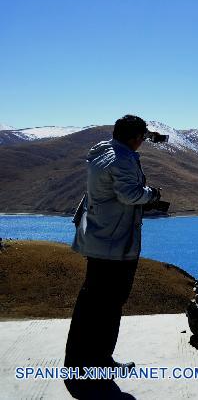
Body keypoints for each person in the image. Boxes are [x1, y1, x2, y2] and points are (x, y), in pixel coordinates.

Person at [64, 114, 162, 373]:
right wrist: (152, 195)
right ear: (135, 137)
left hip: (99, 237)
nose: (143, 142)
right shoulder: (123, 158)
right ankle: (99, 362)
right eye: (142, 137)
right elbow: (129, 194)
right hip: (115, 243)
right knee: (109, 304)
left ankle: (78, 359)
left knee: (91, 302)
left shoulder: (103, 151)